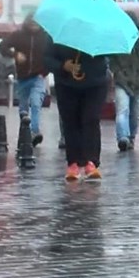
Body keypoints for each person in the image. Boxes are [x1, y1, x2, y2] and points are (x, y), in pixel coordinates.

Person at [45, 43, 109, 181]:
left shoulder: (98, 33)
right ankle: (73, 162)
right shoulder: (58, 35)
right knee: (70, 121)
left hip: (95, 83)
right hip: (66, 85)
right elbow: (47, 59)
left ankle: (91, 162)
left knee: (91, 119)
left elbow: (108, 57)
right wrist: (63, 66)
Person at [0, 15, 51, 146]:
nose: (34, 25)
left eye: (36, 23)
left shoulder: (45, 37)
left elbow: (52, 56)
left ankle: (34, 132)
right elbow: (2, 47)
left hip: (38, 76)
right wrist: (15, 54)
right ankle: (25, 131)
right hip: (22, 77)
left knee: (35, 103)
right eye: (31, 22)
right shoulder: (18, 35)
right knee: (23, 107)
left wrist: (44, 72)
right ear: (27, 23)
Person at [109, 10, 139, 151]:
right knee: (122, 110)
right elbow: (110, 58)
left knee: (135, 113)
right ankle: (122, 137)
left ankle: (131, 137)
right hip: (122, 81)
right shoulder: (117, 39)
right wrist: (117, 71)